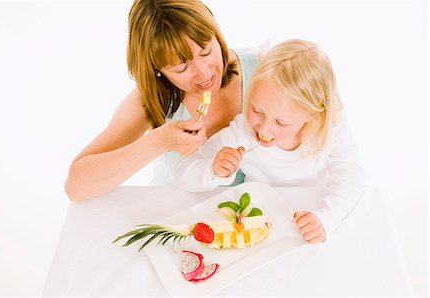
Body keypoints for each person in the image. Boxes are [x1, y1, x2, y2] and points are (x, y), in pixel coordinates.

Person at [64, 0, 261, 201]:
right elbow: (76, 187)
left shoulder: (263, 68)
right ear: (157, 70)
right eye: (181, 68)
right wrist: (158, 141)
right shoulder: (152, 99)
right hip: (175, 217)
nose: (204, 74)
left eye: (207, 51)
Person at [174, 39, 365, 244]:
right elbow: (183, 173)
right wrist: (213, 169)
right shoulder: (243, 131)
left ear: (312, 114)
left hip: (314, 218)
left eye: (281, 122)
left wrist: (327, 217)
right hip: (259, 227)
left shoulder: (329, 125)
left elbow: (350, 174)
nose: (263, 129)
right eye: (257, 110)